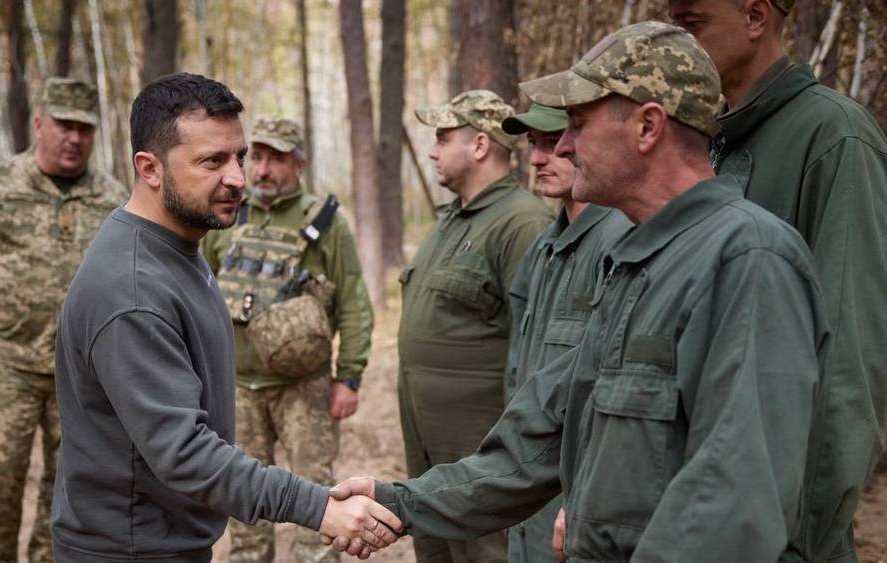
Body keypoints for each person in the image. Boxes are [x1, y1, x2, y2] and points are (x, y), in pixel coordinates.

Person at [326, 22, 830, 562]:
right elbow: (533, 445)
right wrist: (400, 502)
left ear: (647, 127)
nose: (562, 146)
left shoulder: (747, 259)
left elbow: (733, 505)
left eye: (578, 124)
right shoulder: (637, 263)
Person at [51, 73, 400, 563]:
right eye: (213, 161)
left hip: (166, 538)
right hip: (130, 549)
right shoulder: (131, 291)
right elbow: (184, 452)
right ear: (149, 168)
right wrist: (317, 506)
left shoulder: (180, 246)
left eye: (239, 156)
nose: (238, 177)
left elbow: (351, 303)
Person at [666, 2, 887, 561]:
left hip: (773, 533)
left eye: (692, 23)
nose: (677, 41)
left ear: (755, 17)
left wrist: (798, 539)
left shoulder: (836, 136)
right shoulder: (709, 142)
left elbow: (847, 367)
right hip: (697, 515)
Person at [0, 77, 126, 563]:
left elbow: (128, 275)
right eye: (64, 125)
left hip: (82, 373)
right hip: (10, 365)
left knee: (69, 487)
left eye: (84, 129)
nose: (74, 138)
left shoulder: (111, 197)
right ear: (40, 123)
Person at [201, 116, 374, 563]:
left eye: (275, 159)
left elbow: (353, 301)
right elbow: (198, 292)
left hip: (304, 388)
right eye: (256, 157)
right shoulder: (225, 216)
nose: (262, 169)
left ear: (299, 165)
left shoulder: (325, 222)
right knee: (243, 505)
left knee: (319, 502)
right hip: (237, 387)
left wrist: (349, 377)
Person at [397, 89, 554, 563]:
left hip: (481, 440)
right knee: (435, 544)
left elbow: (538, 347)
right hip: (429, 435)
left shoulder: (522, 223)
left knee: (487, 550)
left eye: (443, 138)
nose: (433, 151)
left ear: (480, 145)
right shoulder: (451, 221)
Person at [499, 104, 631, 563]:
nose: (538, 158)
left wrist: (589, 497)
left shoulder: (621, 240)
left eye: (553, 143)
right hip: (530, 486)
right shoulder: (543, 248)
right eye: (533, 144)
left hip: (578, 494)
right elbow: (518, 373)